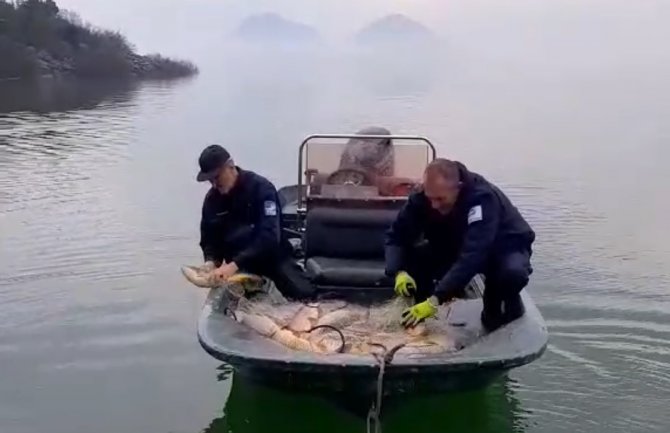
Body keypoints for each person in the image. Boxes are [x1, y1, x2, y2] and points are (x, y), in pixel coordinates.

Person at [384, 158, 536, 332]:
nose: (434, 205)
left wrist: (436, 299)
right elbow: (396, 236)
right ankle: (420, 313)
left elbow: (474, 254)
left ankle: (497, 310)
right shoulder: (421, 197)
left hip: (502, 246)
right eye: (430, 198)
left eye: (440, 199)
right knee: (416, 258)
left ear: (459, 187)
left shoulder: (482, 198)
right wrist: (398, 271)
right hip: (455, 242)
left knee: (511, 274)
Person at [196, 144, 313, 298]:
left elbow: (270, 237)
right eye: (210, 180)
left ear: (231, 166)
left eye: (217, 177)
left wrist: (233, 265)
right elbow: (209, 239)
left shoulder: (262, 189)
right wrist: (211, 261)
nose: (214, 184)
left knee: (304, 294)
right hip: (238, 265)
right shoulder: (212, 200)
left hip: (272, 258)